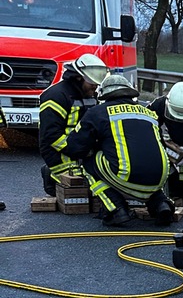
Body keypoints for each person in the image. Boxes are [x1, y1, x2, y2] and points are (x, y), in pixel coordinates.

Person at [63, 74, 173, 227]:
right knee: (145, 166)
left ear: (104, 95)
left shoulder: (98, 112)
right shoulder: (148, 113)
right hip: (160, 176)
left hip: (126, 175)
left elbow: (75, 147)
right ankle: (161, 205)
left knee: (88, 162)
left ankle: (116, 209)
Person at [38, 53, 109, 196]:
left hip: (82, 149)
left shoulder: (89, 94)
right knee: (88, 183)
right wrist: (76, 150)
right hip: (60, 153)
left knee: (106, 176)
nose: (95, 87)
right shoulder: (56, 96)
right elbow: (51, 136)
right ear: (78, 78)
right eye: (92, 83)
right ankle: (50, 174)